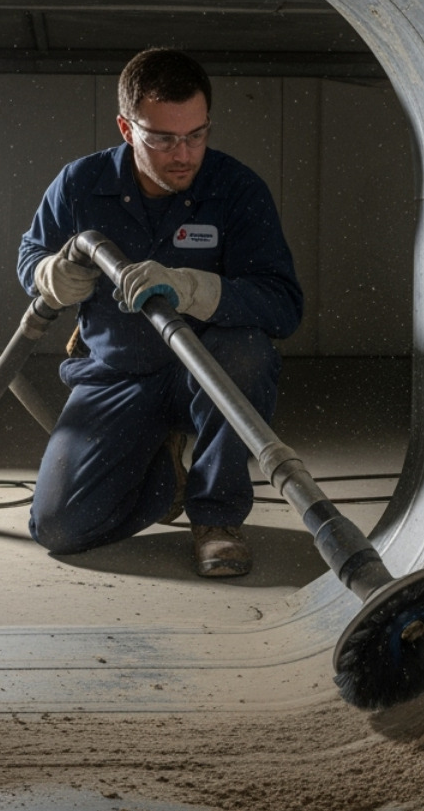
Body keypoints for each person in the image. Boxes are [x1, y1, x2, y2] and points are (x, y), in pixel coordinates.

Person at [17, 48, 304, 577]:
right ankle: (165, 478)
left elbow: (283, 306)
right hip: (116, 372)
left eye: (197, 134)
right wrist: (48, 275)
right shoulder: (81, 184)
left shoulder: (237, 190)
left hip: (208, 370)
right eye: (164, 138)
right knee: (59, 528)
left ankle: (216, 517)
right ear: (126, 128)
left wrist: (194, 288)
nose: (184, 154)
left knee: (248, 352)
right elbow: (31, 256)